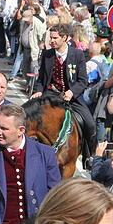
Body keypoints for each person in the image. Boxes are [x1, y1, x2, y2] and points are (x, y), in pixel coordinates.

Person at [32, 24, 96, 154]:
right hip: (50, 94)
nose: (51, 41)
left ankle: (90, 155)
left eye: (55, 38)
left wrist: (72, 92)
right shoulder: (47, 54)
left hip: (72, 96)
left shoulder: (78, 55)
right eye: (50, 38)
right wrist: (38, 91)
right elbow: (41, 79)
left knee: (90, 124)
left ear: (65, 38)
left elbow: (83, 81)